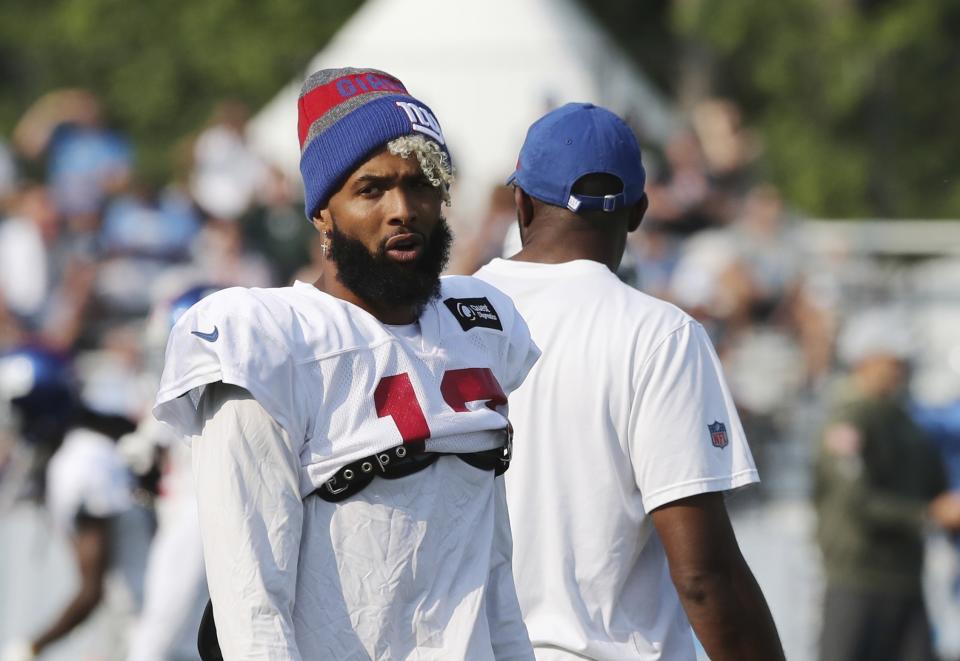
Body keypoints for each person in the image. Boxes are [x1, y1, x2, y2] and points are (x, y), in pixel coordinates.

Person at [152, 67, 539, 660]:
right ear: (322, 212)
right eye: (371, 188)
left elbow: (493, 570)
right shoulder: (270, 343)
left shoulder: (476, 327)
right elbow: (251, 599)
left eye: (422, 184)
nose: (403, 209)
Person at [475, 102, 784, 660]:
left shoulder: (447, 313)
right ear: (638, 212)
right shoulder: (659, 335)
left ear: (520, 202)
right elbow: (704, 577)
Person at [815, 309, 960, 661]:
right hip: (859, 577)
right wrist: (930, 513)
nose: (900, 367)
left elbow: (935, 484)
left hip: (906, 577)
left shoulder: (904, 420)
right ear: (865, 359)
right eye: (891, 359)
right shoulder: (849, 419)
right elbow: (857, 500)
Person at [0, 346, 150, 661]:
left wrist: (32, 647)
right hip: (136, 621)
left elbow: (91, 588)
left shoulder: (81, 461)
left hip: (148, 625)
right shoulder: (77, 453)